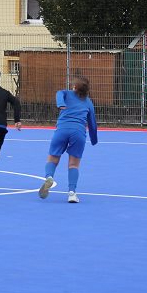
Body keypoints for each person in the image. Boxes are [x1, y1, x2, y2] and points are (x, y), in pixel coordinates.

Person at [38, 75, 98, 204]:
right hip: (78, 132)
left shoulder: (66, 94)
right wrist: (94, 139)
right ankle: (72, 193)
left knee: (53, 158)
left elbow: (59, 93)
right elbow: (92, 122)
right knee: (73, 164)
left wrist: (60, 104)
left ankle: (49, 177)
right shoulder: (88, 102)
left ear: (74, 87)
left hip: (62, 130)